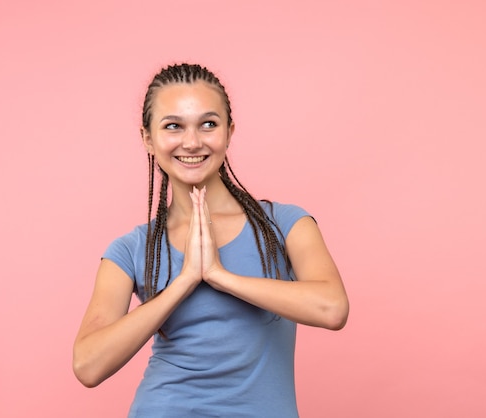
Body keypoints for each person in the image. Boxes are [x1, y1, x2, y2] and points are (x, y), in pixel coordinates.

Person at [73, 63, 349, 417]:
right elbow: (88, 365)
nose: (192, 142)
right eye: (173, 126)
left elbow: (332, 308)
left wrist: (220, 275)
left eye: (208, 124)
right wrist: (184, 281)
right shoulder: (131, 249)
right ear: (147, 138)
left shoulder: (284, 224)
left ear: (229, 132)